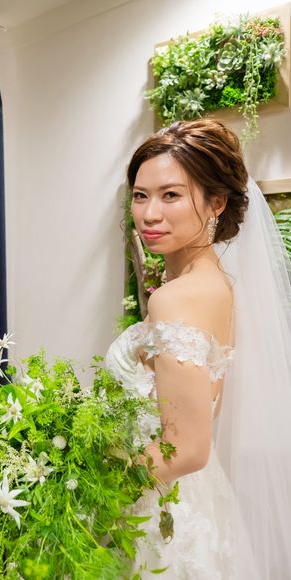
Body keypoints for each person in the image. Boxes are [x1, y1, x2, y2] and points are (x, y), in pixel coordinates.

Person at [105, 119, 291, 578]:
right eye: (140, 195)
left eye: (170, 195)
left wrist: (92, 489)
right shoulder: (218, 286)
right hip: (195, 499)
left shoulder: (177, 298)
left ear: (217, 202)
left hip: (159, 510)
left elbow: (187, 448)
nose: (149, 214)